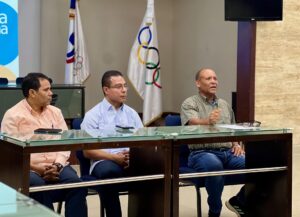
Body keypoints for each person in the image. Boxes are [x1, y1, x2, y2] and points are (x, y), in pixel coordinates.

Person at [1, 73, 87, 217]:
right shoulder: (12, 115)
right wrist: (37, 168)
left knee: (76, 184)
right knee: (37, 186)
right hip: (28, 167)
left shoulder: (56, 112)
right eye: (46, 90)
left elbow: (64, 145)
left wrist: (58, 165)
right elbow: (10, 154)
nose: (51, 93)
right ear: (32, 93)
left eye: (50, 89)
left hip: (57, 165)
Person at [180, 68, 245, 217]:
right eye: (208, 78)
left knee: (260, 166)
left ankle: (239, 200)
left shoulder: (224, 104)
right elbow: (192, 123)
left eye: (215, 78)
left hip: (228, 152)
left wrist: (236, 145)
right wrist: (207, 121)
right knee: (215, 166)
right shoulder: (190, 103)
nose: (213, 81)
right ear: (198, 83)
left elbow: (232, 128)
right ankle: (214, 212)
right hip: (202, 153)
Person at [81, 70, 143, 217]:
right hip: (104, 161)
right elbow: (88, 151)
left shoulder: (132, 114)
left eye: (125, 86)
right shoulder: (93, 115)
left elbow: (143, 141)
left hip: (130, 160)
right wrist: (116, 158)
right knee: (109, 172)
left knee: (155, 169)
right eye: (118, 86)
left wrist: (134, 156)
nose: (124, 90)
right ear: (106, 90)